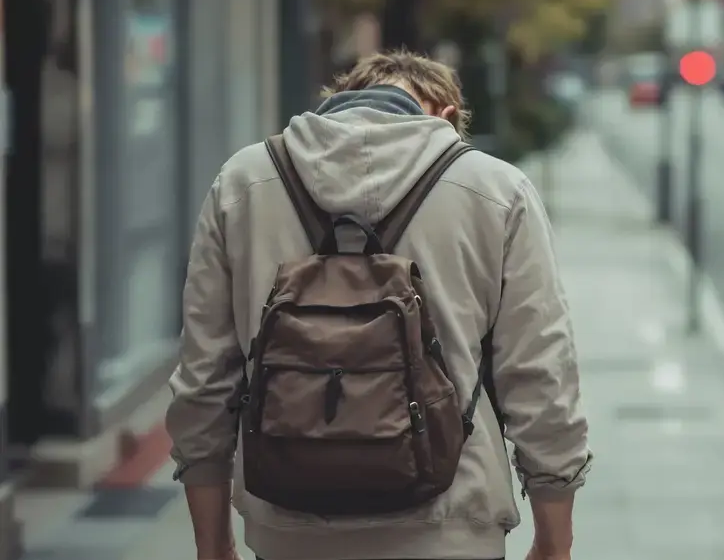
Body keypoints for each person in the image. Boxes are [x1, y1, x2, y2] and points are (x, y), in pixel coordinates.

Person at [165, 50, 592, 560]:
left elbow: (205, 379)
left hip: (289, 527)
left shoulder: (242, 183)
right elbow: (540, 372)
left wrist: (211, 544)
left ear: (338, 104)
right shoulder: (497, 190)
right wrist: (554, 539)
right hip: (450, 524)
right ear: (447, 118)